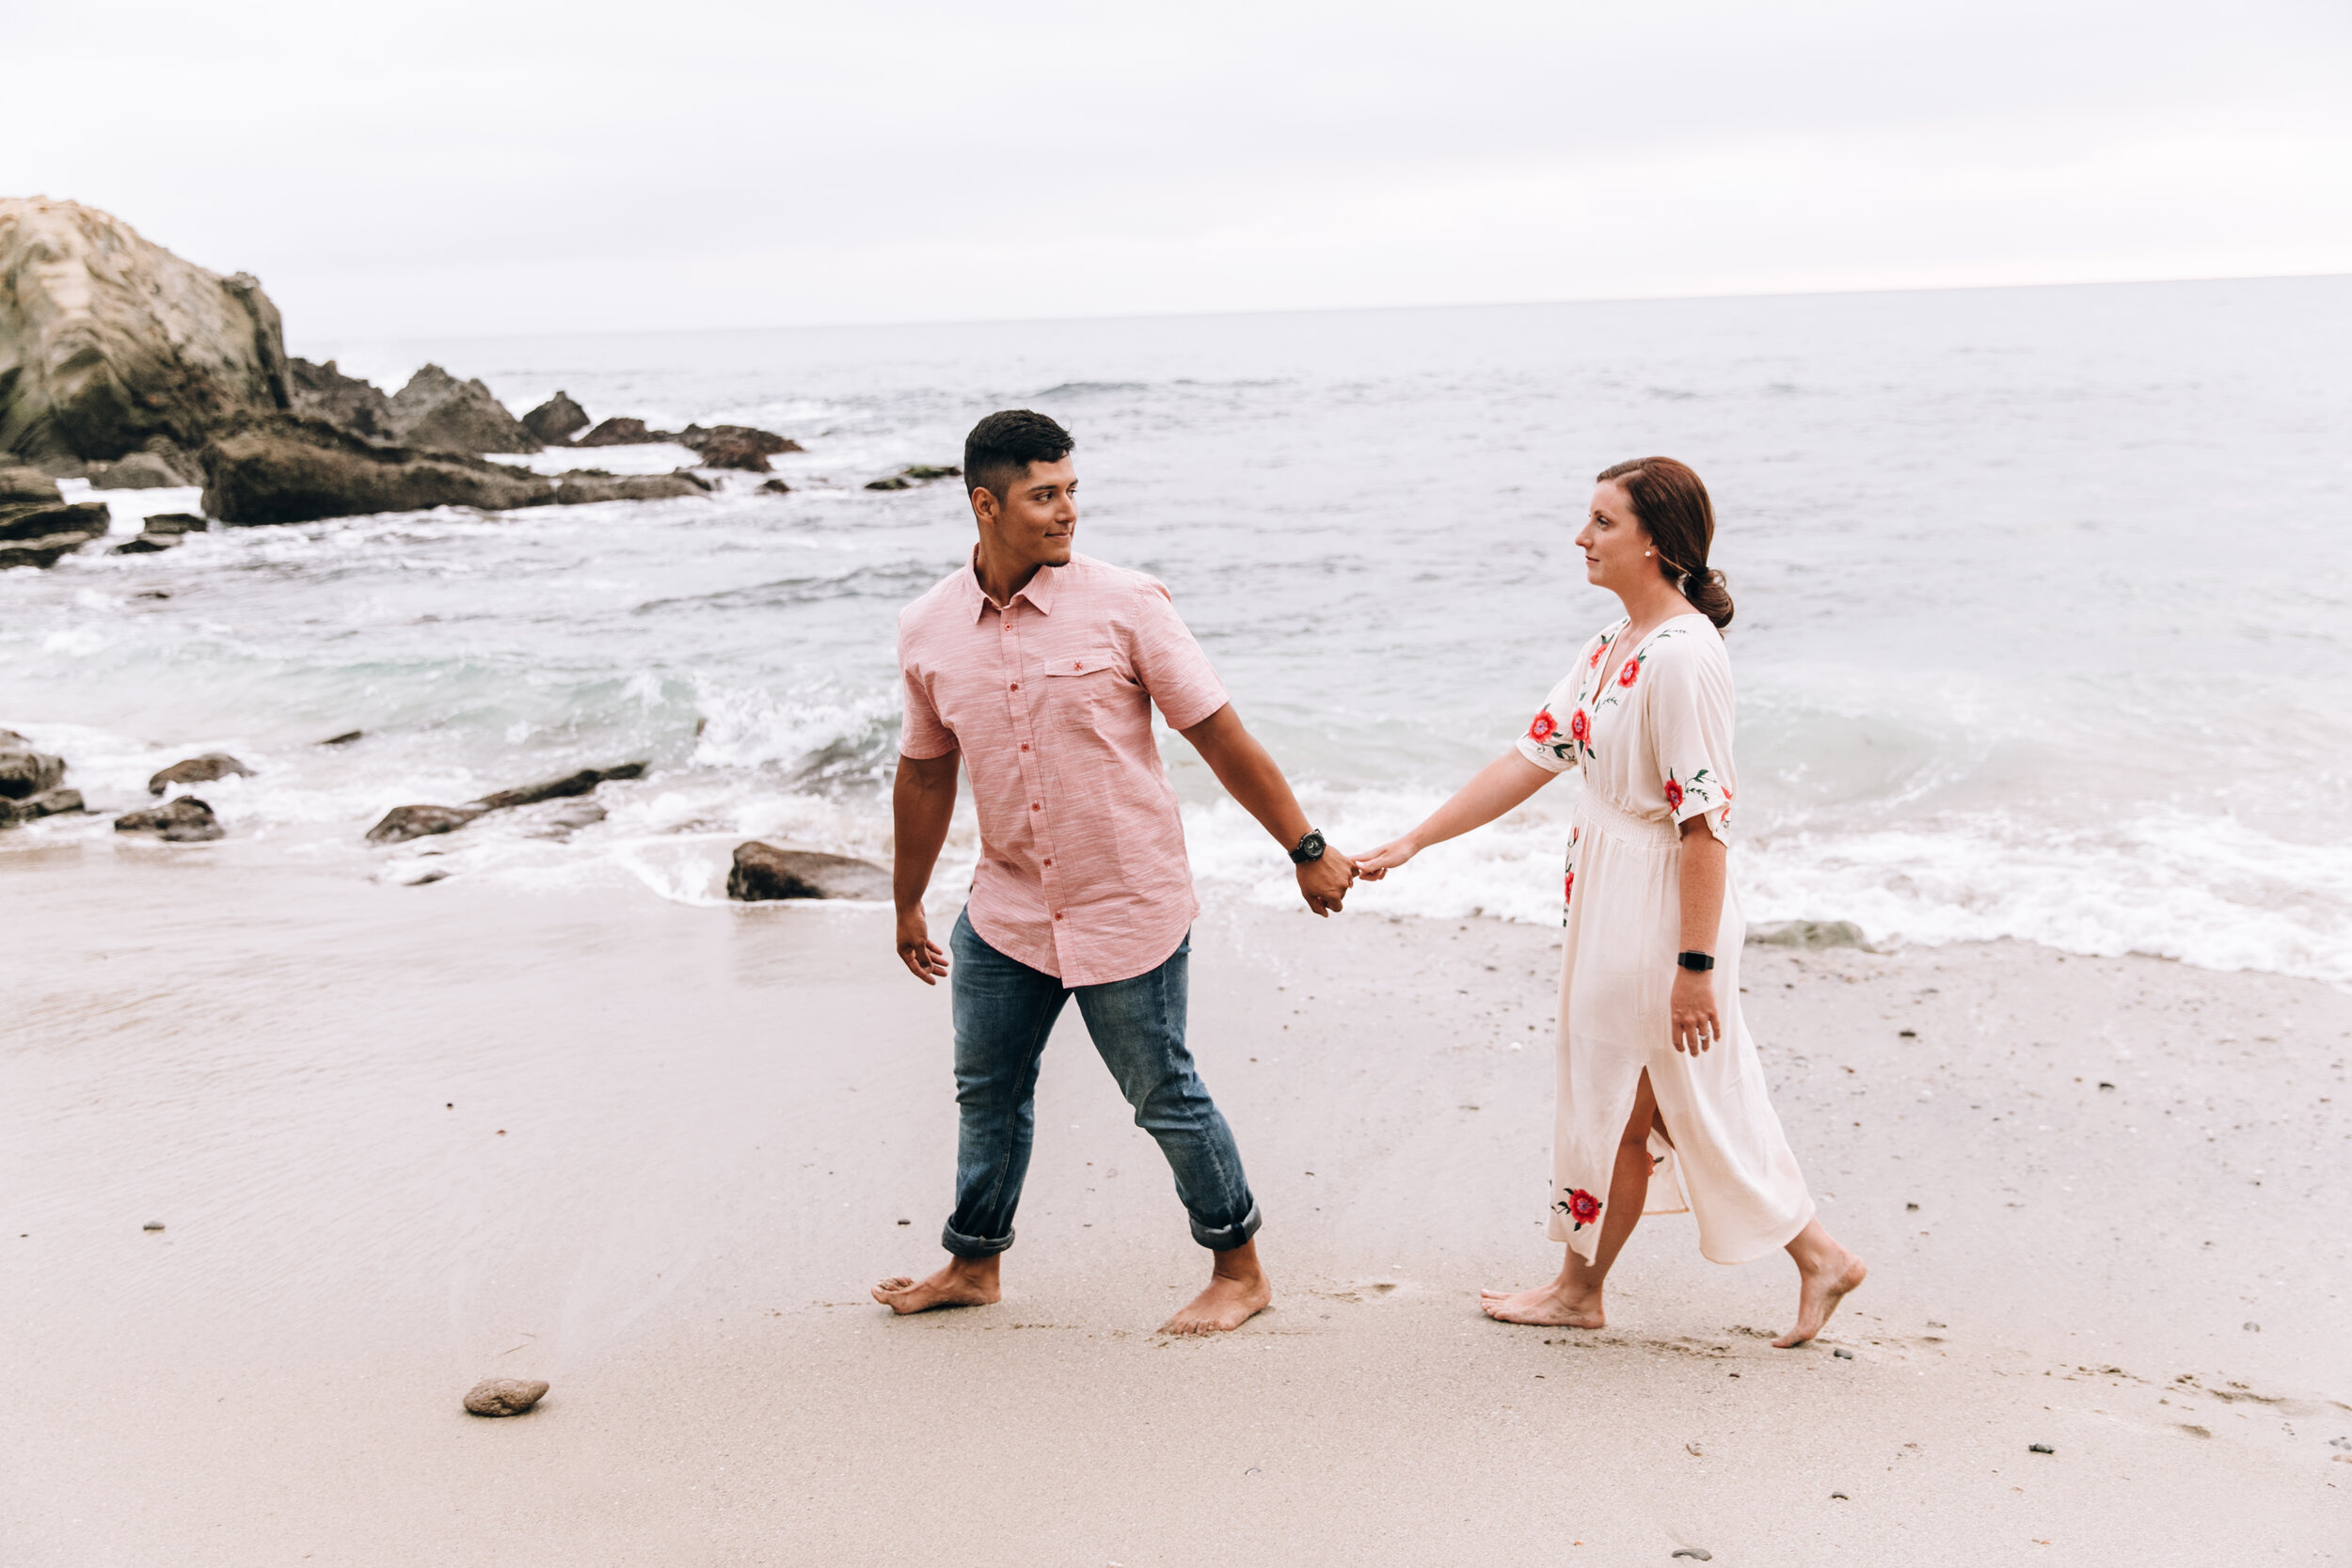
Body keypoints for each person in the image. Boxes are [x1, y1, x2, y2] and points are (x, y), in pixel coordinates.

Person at [1356, 456, 1865, 1347]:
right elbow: (1531, 756)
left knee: (1629, 1097)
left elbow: (1706, 825)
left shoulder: (1682, 659)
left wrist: (1695, 967)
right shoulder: (1613, 643)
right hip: (1609, 892)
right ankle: (1811, 1256)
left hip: (1663, 910)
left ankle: (1583, 1290)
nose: (1580, 537)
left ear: (1655, 543)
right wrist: (1416, 840)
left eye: (1601, 522)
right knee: (1663, 1100)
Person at [873, 409, 1357, 1335]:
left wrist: (1305, 847)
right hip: (1006, 907)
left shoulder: (1128, 604)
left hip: (1124, 902)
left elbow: (1217, 732)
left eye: (1071, 491)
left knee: (1160, 1090)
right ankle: (972, 1265)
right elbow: (925, 770)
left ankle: (1238, 1266)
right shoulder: (926, 628)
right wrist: (905, 901)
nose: (1067, 512)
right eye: (1044, 495)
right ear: (985, 504)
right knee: (988, 1091)